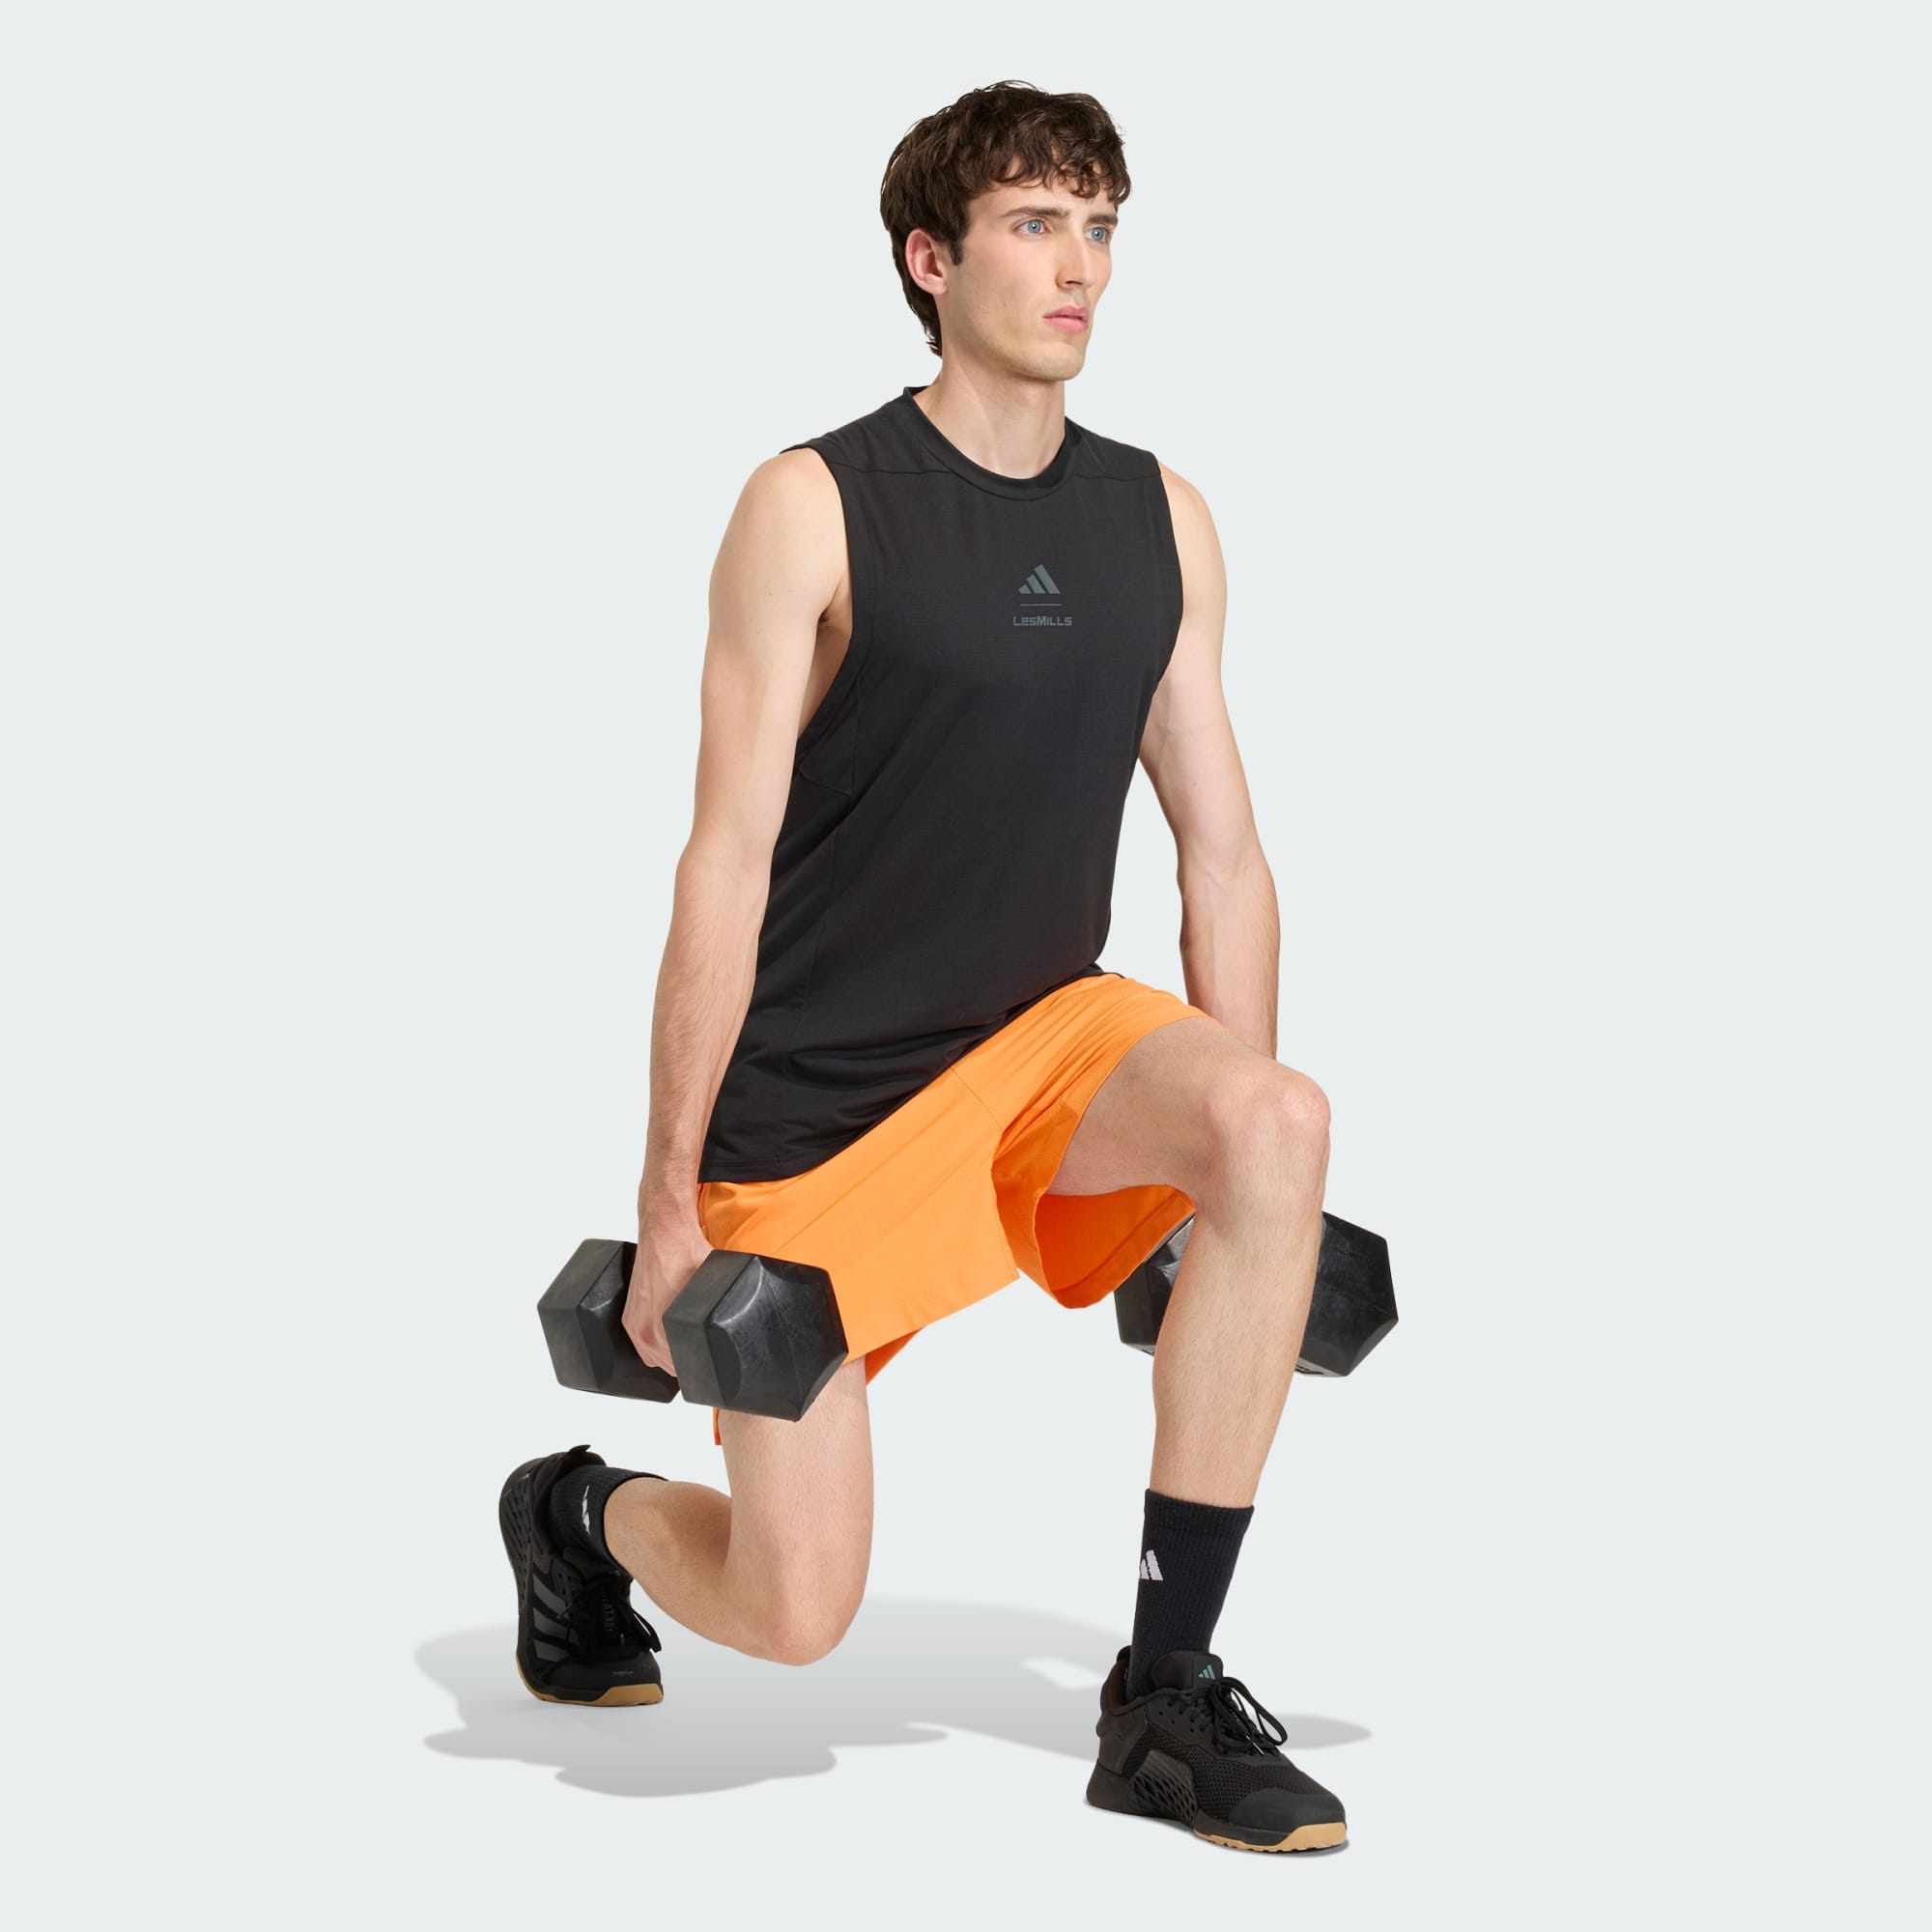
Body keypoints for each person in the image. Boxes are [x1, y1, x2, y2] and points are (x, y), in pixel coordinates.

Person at [498, 79, 1346, 1855]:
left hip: (1045, 1051)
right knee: (794, 1612)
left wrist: (1221, 1177)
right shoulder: (811, 505)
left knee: (1278, 1121)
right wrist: (666, 1200)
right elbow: (722, 866)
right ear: (929, 260)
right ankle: (576, 1516)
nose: (1080, 267)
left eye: (1100, 227)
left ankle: (1166, 1692)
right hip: (816, 1113)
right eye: (1036, 225)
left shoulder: (1161, 517)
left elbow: (1223, 851)